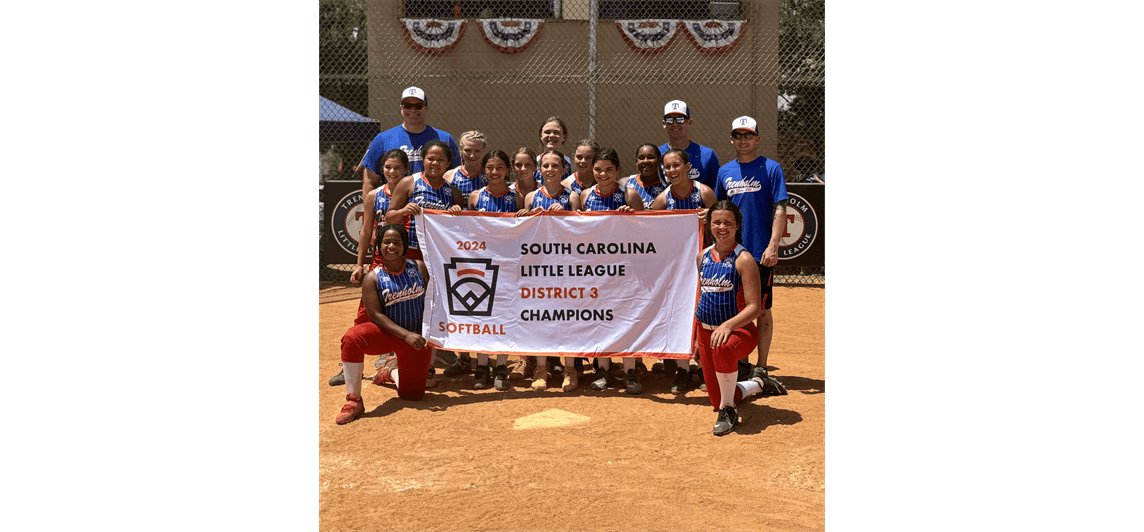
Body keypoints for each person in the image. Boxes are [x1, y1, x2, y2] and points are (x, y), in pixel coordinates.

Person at [714, 116, 789, 395]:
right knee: (734, 309)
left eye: (748, 135)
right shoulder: (725, 171)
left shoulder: (771, 168)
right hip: (733, 253)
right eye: (738, 135)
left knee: (762, 309)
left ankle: (762, 365)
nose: (742, 140)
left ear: (757, 139)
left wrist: (773, 245)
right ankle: (739, 362)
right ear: (732, 139)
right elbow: (719, 211)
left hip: (759, 252)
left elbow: (780, 209)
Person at [335, 223, 434, 425]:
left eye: (397, 242)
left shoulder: (419, 267)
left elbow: (433, 301)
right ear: (379, 246)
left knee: (413, 395)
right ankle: (354, 400)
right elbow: (376, 315)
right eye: (386, 242)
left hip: (415, 336)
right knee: (352, 338)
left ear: (405, 246)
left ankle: (390, 372)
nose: (391, 246)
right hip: (388, 334)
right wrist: (405, 335)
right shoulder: (372, 277)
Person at [329, 150, 412, 388]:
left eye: (397, 167)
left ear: (405, 169)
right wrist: (359, 264)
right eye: (388, 167)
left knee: (406, 308)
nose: (392, 172)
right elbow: (366, 230)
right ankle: (349, 364)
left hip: (407, 260)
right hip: (379, 261)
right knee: (365, 312)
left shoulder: (414, 192)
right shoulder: (374, 195)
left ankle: (399, 361)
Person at [695, 201, 775, 436]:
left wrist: (728, 325)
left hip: (739, 332)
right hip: (705, 332)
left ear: (737, 225)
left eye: (728, 223)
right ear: (709, 225)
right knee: (715, 397)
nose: (722, 227)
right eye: (717, 222)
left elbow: (754, 308)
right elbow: (701, 297)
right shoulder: (702, 257)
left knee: (723, 351)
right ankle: (758, 384)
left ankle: (729, 410)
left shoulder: (744, 259)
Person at [578, 148, 645, 394]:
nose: (603, 174)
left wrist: (632, 218)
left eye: (608, 169)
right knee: (600, 320)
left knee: (626, 319)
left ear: (617, 170)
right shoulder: (585, 195)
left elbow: (648, 232)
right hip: (594, 269)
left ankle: (630, 371)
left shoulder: (629, 194)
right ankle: (602, 370)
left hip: (625, 270)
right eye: (598, 169)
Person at [651, 148, 717, 394]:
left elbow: (723, 219)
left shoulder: (704, 192)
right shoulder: (663, 198)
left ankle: (702, 367)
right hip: (675, 268)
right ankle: (683, 369)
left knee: (703, 314)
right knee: (679, 314)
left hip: (705, 264)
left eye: (676, 165)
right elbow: (649, 230)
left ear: (687, 166)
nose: (672, 171)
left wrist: (710, 215)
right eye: (667, 167)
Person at [515, 149, 581, 392]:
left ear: (564, 170)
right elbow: (523, 234)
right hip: (539, 265)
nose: (550, 170)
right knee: (540, 316)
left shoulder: (572, 196)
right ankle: (540, 368)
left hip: (566, 264)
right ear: (539, 170)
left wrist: (565, 215)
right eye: (546, 166)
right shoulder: (531, 197)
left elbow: (581, 231)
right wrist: (527, 218)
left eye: (556, 166)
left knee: (569, 316)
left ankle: (570, 369)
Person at [466, 150, 525, 391]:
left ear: (507, 169)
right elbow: (464, 230)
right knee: (481, 313)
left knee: (503, 313)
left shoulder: (516, 197)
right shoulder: (475, 196)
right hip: (481, 263)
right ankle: (481, 366)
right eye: (490, 167)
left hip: (508, 263)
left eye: (500, 167)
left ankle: (501, 365)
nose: (494, 172)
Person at [359, 86, 460, 196]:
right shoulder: (382, 139)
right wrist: (370, 210)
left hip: (434, 204)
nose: (413, 110)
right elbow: (370, 182)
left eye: (418, 106)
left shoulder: (444, 138)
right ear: (401, 108)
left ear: (426, 109)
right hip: (394, 205)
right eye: (408, 106)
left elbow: (455, 177)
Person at [386, 139, 465, 260]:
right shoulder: (409, 182)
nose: (435, 163)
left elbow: (460, 227)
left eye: (441, 160)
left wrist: (457, 212)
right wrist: (403, 211)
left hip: (439, 250)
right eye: (430, 159)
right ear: (423, 160)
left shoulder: (454, 192)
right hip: (412, 248)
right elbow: (390, 218)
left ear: (448, 163)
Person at [659, 100, 721, 190]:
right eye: (670, 120)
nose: (675, 124)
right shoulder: (656, 154)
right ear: (664, 124)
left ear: (689, 123)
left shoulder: (707, 155)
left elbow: (715, 190)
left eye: (680, 120)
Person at [444, 131, 490, 207]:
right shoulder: (449, 176)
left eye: (477, 151)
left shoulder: (491, 175)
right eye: (467, 150)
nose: (472, 156)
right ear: (461, 149)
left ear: (484, 150)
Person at [625, 143, 669, 210]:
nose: (645, 161)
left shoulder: (666, 187)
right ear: (636, 161)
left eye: (650, 157)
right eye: (641, 158)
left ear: (660, 160)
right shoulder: (625, 183)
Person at [534, 117, 572, 188]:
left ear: (564, 137)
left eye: (556, 132)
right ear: (540, 136)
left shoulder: (572, 165)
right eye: (547, 132)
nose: (551, 135)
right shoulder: (534, 163)